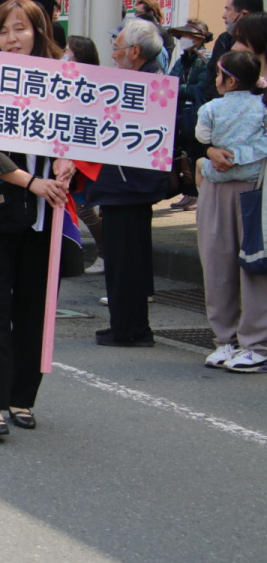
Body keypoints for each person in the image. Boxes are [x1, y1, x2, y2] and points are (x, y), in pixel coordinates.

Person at [0, 0, 78, 438]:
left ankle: (22, 398)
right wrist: (32, 182)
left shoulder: (65, 77)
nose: (13, 37)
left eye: (21, 28)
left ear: (39, 31)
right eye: (5, 29)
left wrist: (69, 162)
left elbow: (84, 130)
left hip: (48, 215)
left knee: (35, 310)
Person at [92, 18, 170, 347]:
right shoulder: (149, 78)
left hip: (128, 184)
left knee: (125, 260)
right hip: (133, 184)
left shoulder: (142, 84)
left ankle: (128, 329)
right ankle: (131, 326)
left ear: (134, 52)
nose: (113, 54)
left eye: (117, 48)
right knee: (130, 259)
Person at [193, 51, 267, 373]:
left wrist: (213, 152)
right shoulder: (262, 107)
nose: (215, 80)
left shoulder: (210, 108)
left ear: (230, 79)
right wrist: (242, 154)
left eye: (219, 74)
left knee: (215, 263)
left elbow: (201, 136)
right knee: (252, 265)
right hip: (253, 189)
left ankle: (225, 340)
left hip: (215, 188)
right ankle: (254, 344)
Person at [63, 36, 107, 274]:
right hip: (74, 151)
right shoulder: (70, 78)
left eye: (68, 51)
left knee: (85, 207)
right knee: (83, 207)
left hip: (86, 154)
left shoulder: (91, 82)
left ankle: (103, 253)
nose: (64, 55)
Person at [167, 19, 213, 211]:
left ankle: (197, 193)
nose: (183, 40)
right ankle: (188, 192)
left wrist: (180, 88)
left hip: (196, 114)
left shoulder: (205, 59)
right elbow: (171, 80)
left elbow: (201, 88)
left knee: (196, 153)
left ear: (197, 38)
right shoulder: (182, 59)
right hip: (180, 113)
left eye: (187, 36)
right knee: (183, 154)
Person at [204, 0, 263, 103]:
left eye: (228, 9)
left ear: (244, 14)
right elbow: (210, 78)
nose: (224, 16)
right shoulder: (223, 40)